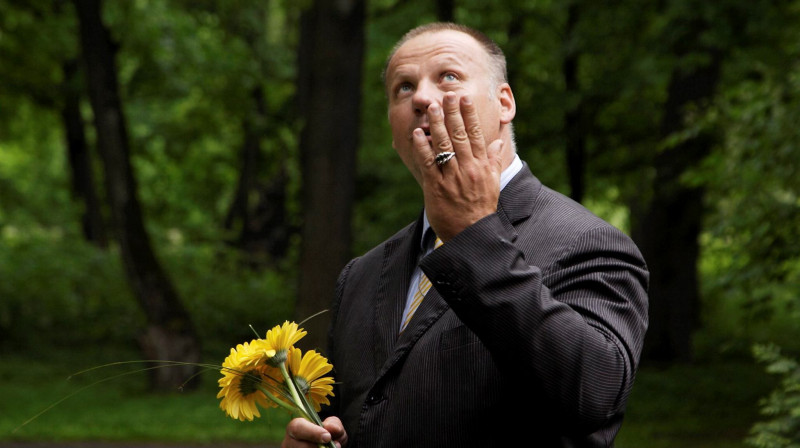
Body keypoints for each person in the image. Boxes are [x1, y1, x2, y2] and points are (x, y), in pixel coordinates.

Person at [282, 22, 648, 447]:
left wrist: (474, 233)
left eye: (448, 77)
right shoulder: (360, 276)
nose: (420, 97)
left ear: (504, 102)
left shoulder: (588, 242)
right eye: (403, 88)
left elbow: (593, 396)